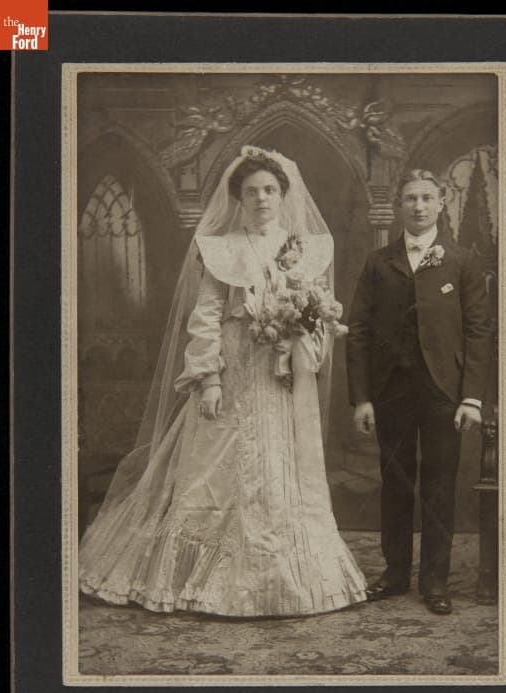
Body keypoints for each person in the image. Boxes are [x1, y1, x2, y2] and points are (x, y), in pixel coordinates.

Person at [79, 145, 367, 617]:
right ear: (239, 199)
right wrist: (208, 378)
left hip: (282, 376)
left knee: (281, 465)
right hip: (233, 371)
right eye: (252, 192)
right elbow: (206, 316)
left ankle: (285, 576)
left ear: (283, 195)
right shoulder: (222, 249)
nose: (262, 199)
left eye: (270, 190)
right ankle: (202, 580)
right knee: (215, 470)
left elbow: (319, 316)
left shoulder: (303, 249)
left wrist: (300, 335)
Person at [346, 169, 493, 615]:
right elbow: (359, 332)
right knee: (394, 481)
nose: (419, 206)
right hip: (391, 389)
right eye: (410, 198)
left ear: (442, 202)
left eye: (427, 197)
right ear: (398, 205)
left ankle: (434, 581)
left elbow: (479, 331)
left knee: (439, 482)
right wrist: (363, 397)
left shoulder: (462, 260)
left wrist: (471, 397)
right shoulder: (378, 262)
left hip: (443, 389)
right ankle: (394, 574)